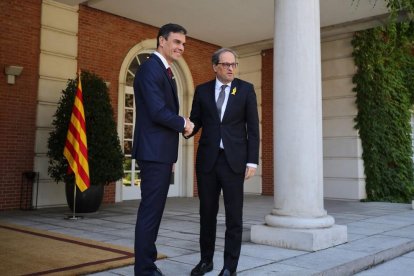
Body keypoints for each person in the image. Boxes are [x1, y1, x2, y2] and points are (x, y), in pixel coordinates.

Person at [187, 48, 260, 276]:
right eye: (226, 64)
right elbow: (196, 121)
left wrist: (252, 162)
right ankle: (206, 261)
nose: (231, 68)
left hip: (234, 162)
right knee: (206, 213)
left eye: (233, 64)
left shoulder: (246, 90)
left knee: (233, 216)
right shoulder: (202, 91)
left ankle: (230, 267)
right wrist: (185, 127)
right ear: (215, 67)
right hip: (208, 161)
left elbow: (253, 129)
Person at [132, 23, 193, 276]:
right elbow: (157, 111)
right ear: (162, 41)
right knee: (150, 212)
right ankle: (145, 270)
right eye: (177, 42)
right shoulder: (150, 69)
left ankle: (148, 265)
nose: (181, 47)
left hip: (160, 152)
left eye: (183, 44)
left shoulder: (164, 71)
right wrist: (183, 123)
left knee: (154, 212)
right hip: (153, 153)